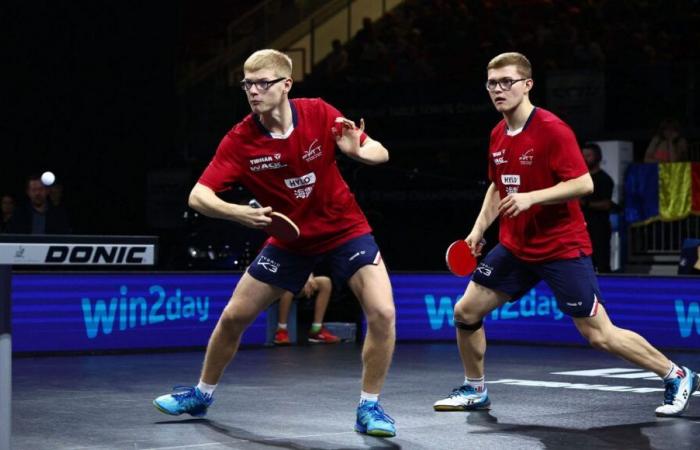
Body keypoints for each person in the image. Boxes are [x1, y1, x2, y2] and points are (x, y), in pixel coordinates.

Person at [433, 52, 698, 417]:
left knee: (598, 334)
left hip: (561, 248)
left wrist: (531, 198)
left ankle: (676, 373)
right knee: (465, 311)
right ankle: (475, 388)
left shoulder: (552, 129)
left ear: (527, 84)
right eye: (492, 83)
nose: (498, 89)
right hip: (516, 247)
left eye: (507, 82)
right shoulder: (498, 134)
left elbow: (583, 183)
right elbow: (497, 187)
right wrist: (478, 231)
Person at [153, 49, 397, 437]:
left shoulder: (318, 112)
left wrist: (357, 151)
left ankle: (370, 407)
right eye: (247, 83)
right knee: (234, 317)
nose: (253, 90)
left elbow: (380, 151)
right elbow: (198, 196)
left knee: (382, 313)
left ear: (286, 84)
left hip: (344, 229)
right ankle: (201, 393)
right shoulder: (240, 139)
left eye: (262, 82)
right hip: (290, 240)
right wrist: (239, 214)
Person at [274, 272, 341, 345]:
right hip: (279, 282)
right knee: (288, 286)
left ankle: (316, 330)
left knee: (325, 282)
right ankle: (281, 330)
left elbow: (306, 265)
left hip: (299, 282)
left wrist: (308, 277)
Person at [580, 142, 614, 273]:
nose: (585, 158)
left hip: (599, 227)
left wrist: (585, 204)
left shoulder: (605, 179)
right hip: (582, 228)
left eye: (588, 155)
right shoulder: (580, 179)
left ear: (598, 157)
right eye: (583, 155)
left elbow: (607, 204)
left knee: (602, 263)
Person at [7, 175, 71, 234]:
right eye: (34, 190)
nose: (37, 193)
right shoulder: (19, 214)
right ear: (28, 192)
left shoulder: (58, 215)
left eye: (41, 189)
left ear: (47, 191)